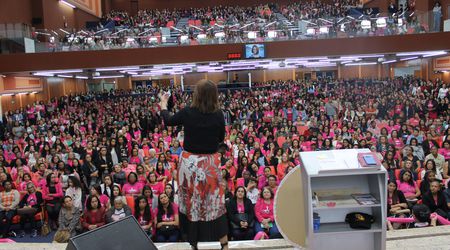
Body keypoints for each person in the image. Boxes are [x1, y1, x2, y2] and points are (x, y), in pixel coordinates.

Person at [160, 80, 228, 249]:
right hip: (210, 164)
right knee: (214, 203)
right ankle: (224, 244)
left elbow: (168, 120)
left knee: (191, 203)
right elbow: (220, 139)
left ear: (196, 94)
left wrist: (163, 104)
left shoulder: (188, 112)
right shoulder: (218, 114)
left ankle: (193, 243)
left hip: (189, 164)